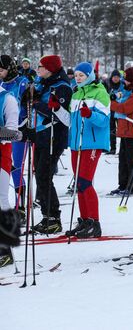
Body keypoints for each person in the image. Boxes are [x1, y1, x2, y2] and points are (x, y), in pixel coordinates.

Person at [64, 62, 110, 238]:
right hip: (77, 144)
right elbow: (70, 119)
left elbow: (104, 121)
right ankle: (84, 221)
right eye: (76, 76)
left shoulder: (100, 93)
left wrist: (90, 114)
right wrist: (56, 109)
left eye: (81, 75)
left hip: (92, 143)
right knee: (79, 184)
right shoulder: (76, 94)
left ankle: (94, 222)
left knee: (85, 182)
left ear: (90, 76)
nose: (78, 78)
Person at [30, 55, 72, 235]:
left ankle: (54, 217)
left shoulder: (62, 86)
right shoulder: (45, 83)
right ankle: (47, 216)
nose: (38, 69)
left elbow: (60, 115)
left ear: (49, 68)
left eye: (40, 66)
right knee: (40, 175)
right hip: (41, 135)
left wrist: (37, 104)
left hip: (54, 137)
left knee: (44, 175)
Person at [108, 67, 133, 197]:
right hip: (125, 131)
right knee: (123, 160)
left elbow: (125, 108)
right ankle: (123, 185)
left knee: (132, 160)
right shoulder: (129, 90)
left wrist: (110, 103)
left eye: (127, 80)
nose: (124, 82)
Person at [0, 59, 24, 266]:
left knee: (1, 202)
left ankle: (4, 251)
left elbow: (14, 134)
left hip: (1, 154)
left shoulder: (7, 99)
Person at [0, 56, 29, 214]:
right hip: (4, 131)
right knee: (10, 169)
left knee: (16, 167)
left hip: (18, 130)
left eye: (2, 70)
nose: (0, 73)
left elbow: (25, 107)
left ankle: (21, 206)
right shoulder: (2, 84)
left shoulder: (22, 82)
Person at [107, 70, 123, 154]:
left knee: (121, 130)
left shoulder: (122, 85)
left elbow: (123, 94)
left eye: (117, 77)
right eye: (114, 77)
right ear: (112, 77)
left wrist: (116, 96)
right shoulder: (108, 84)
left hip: (119, 110)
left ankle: (122, 149)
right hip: (110, 110)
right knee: (111, 129)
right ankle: (113, 148)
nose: (116, 79)